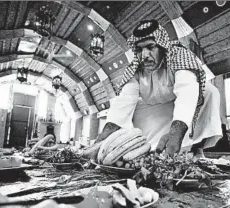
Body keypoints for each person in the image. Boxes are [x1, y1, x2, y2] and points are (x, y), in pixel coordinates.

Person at [95, 19, 222, 157]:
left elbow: (186, 93)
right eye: (139, 50)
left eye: (150, 47)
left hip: (181, 104)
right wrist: (104, 135)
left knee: (209, 92)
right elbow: (123, 102)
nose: (144, 56)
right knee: (130, 110)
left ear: (162, 47)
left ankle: (197, 148)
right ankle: (145, 149)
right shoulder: (136, 68)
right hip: (154, 108)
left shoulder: (178, 56)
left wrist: (176, 132)